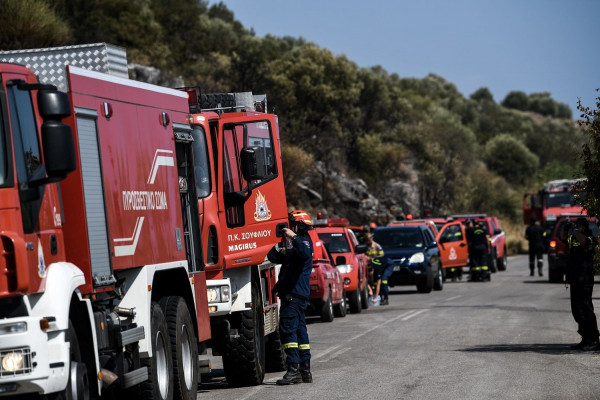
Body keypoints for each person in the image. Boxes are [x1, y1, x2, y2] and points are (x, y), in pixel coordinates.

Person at [268, 210, 314, 384]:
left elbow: (303, 252)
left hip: (294, 296)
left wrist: (292, 236)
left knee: (288, 331)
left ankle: (293, 369)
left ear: (298, 225)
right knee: (300, 331)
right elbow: (272, 257)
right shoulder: (295, 245)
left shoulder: (303, 242)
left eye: (292, 223)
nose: (288, 226)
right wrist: (282, 244)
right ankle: (305, 371)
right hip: (295, 295)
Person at [560, 217, 599, 351]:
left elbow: (583, 241)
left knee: (586, 309)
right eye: (576, 225)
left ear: (585, 227)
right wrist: (565, 228)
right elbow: (564, 238)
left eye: (579, 225)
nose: (577, 227)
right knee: (576, 310)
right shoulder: (573, 239)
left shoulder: (589, 239)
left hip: (585, 279)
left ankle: (594, 339)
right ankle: (585, 338)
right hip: (575, 278)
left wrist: (575, 230)